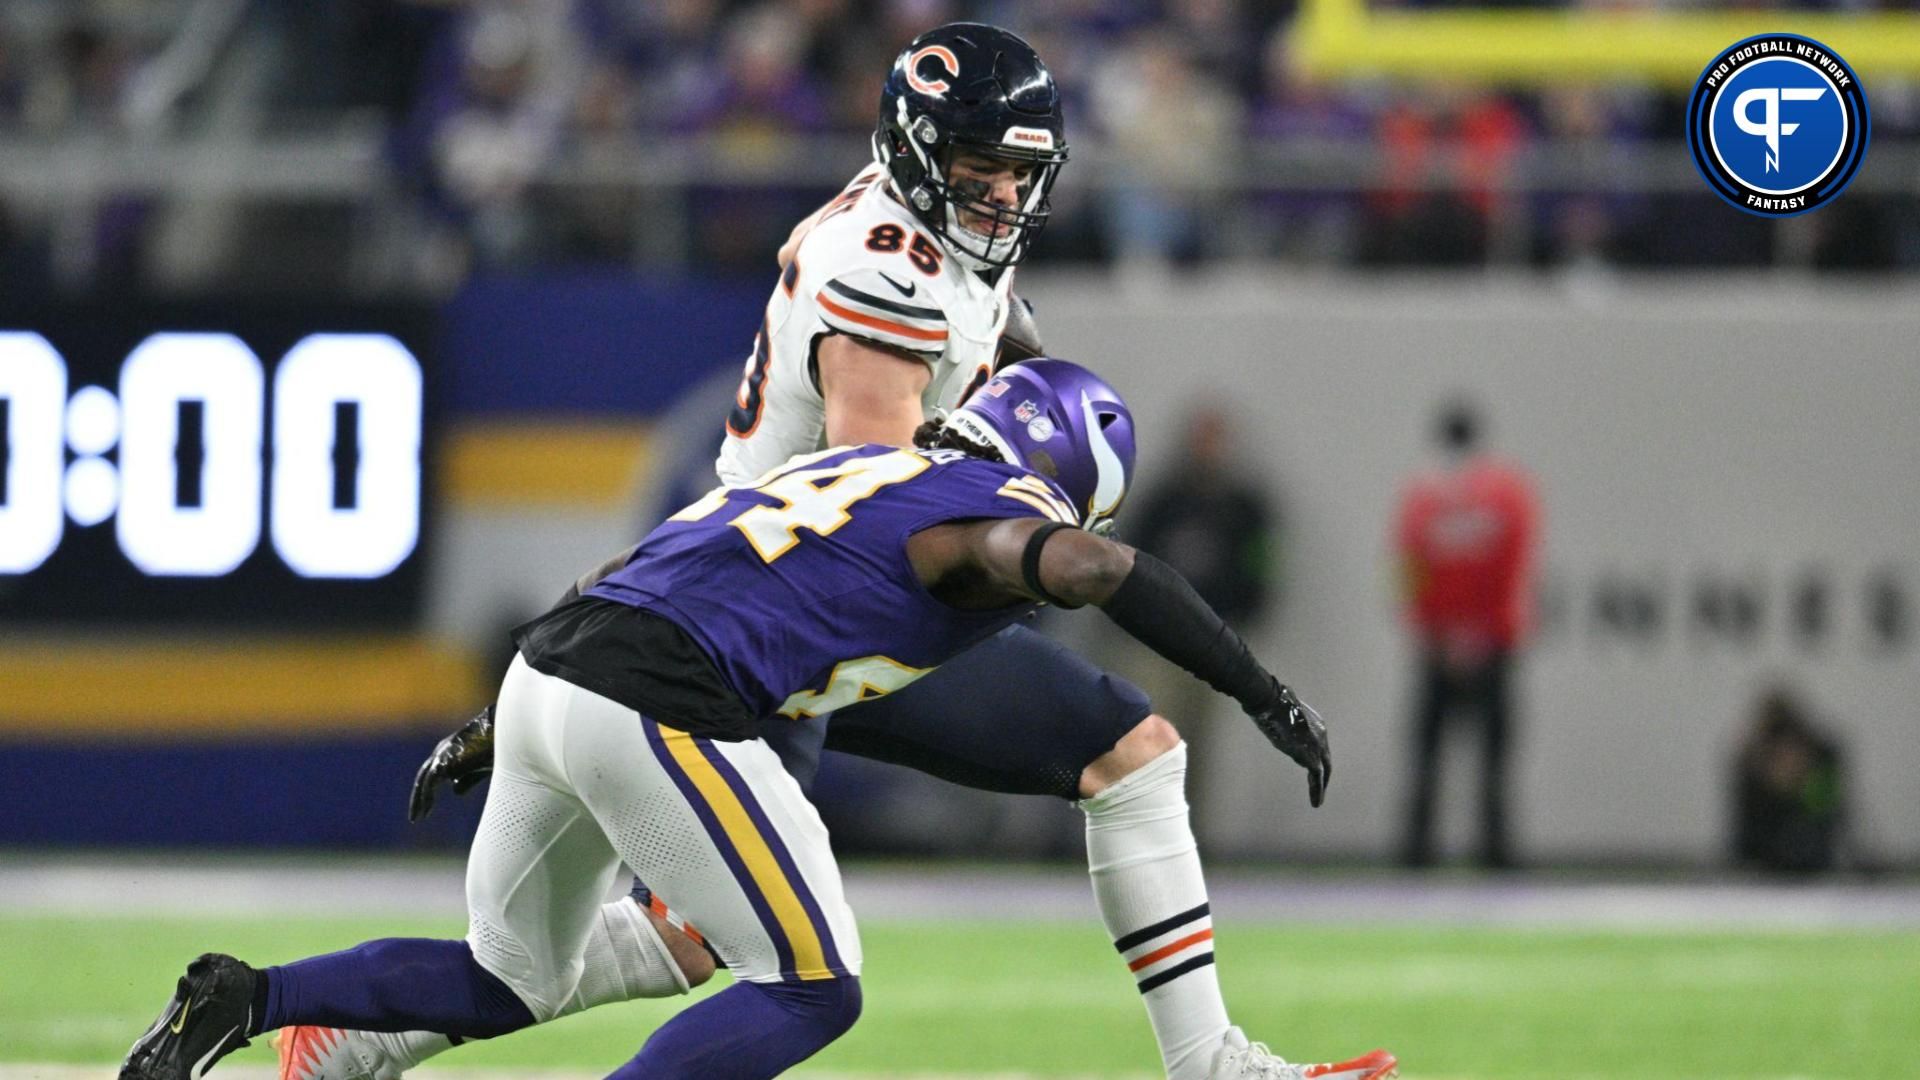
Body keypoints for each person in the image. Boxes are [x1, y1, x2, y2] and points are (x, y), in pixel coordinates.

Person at [288, 24, 1387, 1080]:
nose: (1003, 195)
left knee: (712, 935)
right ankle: (358, 1035)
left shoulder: (936, 238)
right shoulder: (887, 275)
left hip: (747, 596)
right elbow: (876, 507)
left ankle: (355, 1037)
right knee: (772, 943)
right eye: (979, 167)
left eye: (1019, 172)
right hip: (777, 615)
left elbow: (971, 371)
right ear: (918, 151)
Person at [121, 361, 1392, 1080]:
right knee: (814, 985)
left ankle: (245, 997)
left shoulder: (826, 474)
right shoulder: (982, 513)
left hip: (552, 671)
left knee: (507, 978)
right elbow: (1096, 573)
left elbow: (637, 574)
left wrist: (491, 725)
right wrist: (1260, 686)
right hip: (655, 703)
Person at [1123, 403, 1282, 847]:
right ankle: (1148, 834)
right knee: (1154, 738)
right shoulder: (1165, 502)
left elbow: (1260, 564)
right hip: (1163, 642)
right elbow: (1130, 562)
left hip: (1214, 643)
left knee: (1199, 745)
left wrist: (1244, 619)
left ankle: (1191, 836)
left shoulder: (1243, 506)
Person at [1394, 399, 1539, 870]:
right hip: (1483, 643)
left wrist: (1434, 631)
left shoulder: (1424, 497)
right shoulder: (1506, 493)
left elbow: (1408, 569)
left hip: (1454, 643)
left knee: (1440, 752)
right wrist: (1480, 630)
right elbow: (1515, 568)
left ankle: (1423, 849)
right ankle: (1489, 849)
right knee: (1480, 753)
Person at [1731, 686, 1846, 874]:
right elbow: (1745, 839)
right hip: (1763, 860)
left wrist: (1802, 787)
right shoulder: (1750, 765)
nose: (1786, 761)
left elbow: (1827, 817)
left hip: (1815, 857)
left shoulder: (1822, 761)